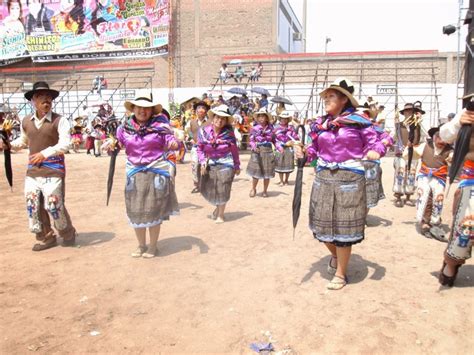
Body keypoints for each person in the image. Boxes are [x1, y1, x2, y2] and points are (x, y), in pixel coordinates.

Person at [294, 78, 385, 290]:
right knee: (321, 225)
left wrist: (375, 151)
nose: (326, 100)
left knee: (344, 230)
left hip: (350, 179)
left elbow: (380, 141)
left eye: (331, 96)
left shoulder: (359, 121)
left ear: (344, 99)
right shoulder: (319, 125)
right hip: (324, 178)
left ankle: (341, 273)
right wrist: (304, 152)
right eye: (325, 96)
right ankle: (336, 256)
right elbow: (314, 150)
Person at [1, 82, 77, 251]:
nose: (45, 100)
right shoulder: (26, 121)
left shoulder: (60, 120)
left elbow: (65, 144)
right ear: (33, 100)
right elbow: (24, 141)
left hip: (54, 169)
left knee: (53, 203)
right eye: (41, 96)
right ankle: (46, 236)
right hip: (33, 171)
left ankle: (67, 233)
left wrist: (45, 153)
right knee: (32, 203)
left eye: (48, 97)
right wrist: (8, 145)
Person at [103, 91, 179, 258]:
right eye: (139, 107)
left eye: (146, 108)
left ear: (152, 111)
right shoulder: (124, 129)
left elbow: (170, 141)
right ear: (133, 109)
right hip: (134, 173)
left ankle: (153, 246)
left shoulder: (160, 127)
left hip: (155, 171)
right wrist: (111, 145)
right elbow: (118, 144)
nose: (142, 111)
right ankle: (140, 245)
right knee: (135, 210)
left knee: (154, 210)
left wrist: (174, 143)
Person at [438, 106, 474, 286]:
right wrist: (459, 123)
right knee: (466, 227)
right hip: (472, 179)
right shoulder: (470, 112)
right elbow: (444, 135)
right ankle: (452, 262)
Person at [197, 105, 241, 224]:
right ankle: (217, 207)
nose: (220, 120)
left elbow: (234, 150)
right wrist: (202, 161)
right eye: (218, 117)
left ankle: (221, 214)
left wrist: (237, 165)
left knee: (223, 187)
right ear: (213, 117)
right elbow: (200, 149)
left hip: (226, 162)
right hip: (209, 161)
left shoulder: (229, 134)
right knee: (212, 188)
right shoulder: (203, 131)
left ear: (226, 121)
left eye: (223, 118)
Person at [413, 125, 453, 241]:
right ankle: (425, 222)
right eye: (439, 137)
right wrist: (410, 148)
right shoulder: (424, 146)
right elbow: (411, 154)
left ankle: (435, 222)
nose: (441, 141)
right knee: (425, 197)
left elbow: (453, 159)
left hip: (439, 178)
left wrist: (452, 158)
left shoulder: (449, 151)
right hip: (424, 176)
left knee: (438, 198)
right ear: (434, 137)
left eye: (444, 138)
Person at [392, 102, 424, 208]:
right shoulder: (398, 125)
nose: (409, 113)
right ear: (404, 113)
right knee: (400, 173)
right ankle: (398, 196)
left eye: (411, 111)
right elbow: (393, 137)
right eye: (407, 111)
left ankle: (408, 196)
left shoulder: (418, 126)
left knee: (411, 174)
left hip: (413, 153)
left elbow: (424, 137)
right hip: (401, 153)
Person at [246, 107, 275, 197]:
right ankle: (253, 188)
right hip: (257, 151)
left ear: (267, 118)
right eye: (259, 116)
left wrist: (279, 148)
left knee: (267, 173)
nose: (261, 118)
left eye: (263, 116)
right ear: (257, 118)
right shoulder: (254, 128)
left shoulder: (271, 129)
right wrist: (254, 147)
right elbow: (251, 140)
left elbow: (274, 140)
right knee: (256, 172)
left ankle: (265, 191)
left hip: (268, 151)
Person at [185, 101, 210, 193]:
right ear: (196, 111)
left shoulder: (209, 122)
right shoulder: (191, 122)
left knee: (206, 166)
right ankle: (196, 185)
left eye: (203, 108)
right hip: (195, 147)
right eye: (199, 108)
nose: (201, 110)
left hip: (206, 148)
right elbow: (187, 131)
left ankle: (205, 185)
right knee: (195, 165)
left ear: (206, 111)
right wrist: (191, 137)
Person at [274, 111, 299, 185]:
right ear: (280, 119)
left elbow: (295, 137)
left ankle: (286, 180)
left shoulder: (291, 128)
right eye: (282, 118)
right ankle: (281, 181)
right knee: (280, 163)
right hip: (280, 148)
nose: (284, 120)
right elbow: (274, 138)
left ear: (288, 119)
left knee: (288, 163)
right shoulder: (276, 128)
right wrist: (278, 144)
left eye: (286, 119)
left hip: (289, 148)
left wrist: (292, 141)